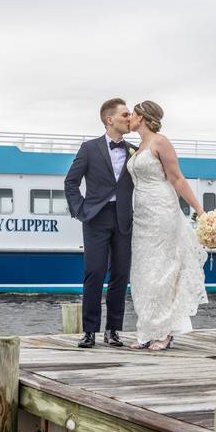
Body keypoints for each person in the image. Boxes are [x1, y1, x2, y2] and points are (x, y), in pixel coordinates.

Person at [125, 101, 208, 350]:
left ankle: (165, 332)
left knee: (163, 271)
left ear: (140, 117)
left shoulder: (160, 142)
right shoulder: (139, 147)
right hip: (142, 217)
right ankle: (147, 331)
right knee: (143, 273)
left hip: (162, 211)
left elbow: (177, 179)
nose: (128, 118)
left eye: (132, 114)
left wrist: (200, 210)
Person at [64, 98, 135, 348]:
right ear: (110, 119)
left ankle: (113, 330)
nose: (129, 119)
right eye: (125, 115)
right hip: (95, 217)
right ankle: (89, 331)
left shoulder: (134, 150)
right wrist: (80, 209)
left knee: (120, 274)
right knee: (94, 272)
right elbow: (71, 182)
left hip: (124, 218)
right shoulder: (89, 148)